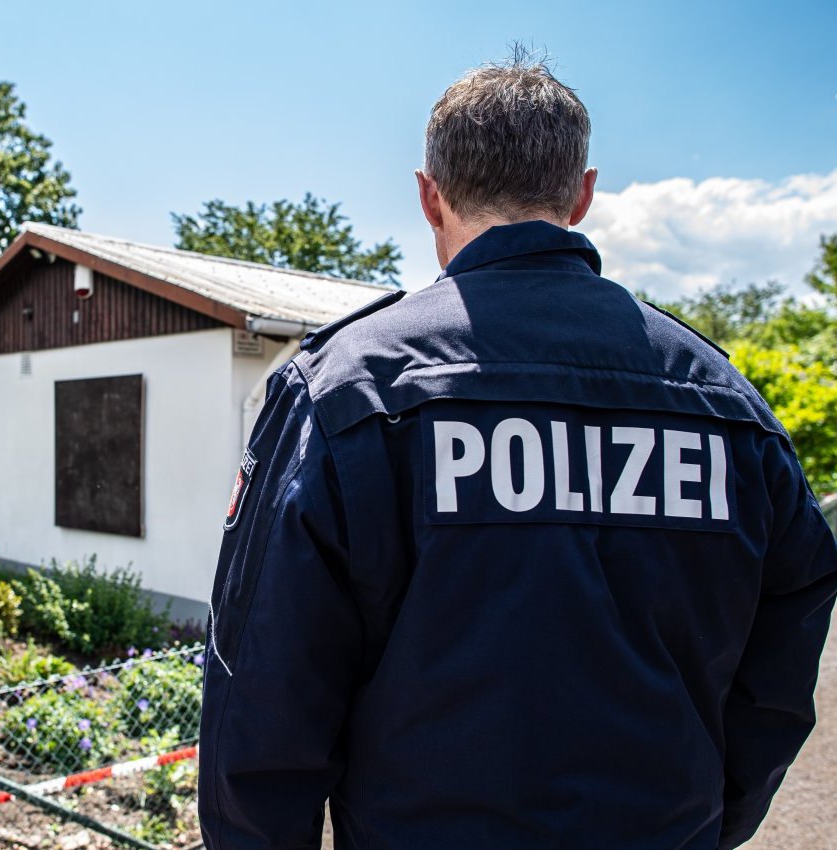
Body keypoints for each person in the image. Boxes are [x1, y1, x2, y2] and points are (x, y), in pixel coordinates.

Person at [198, 51, 837, 850]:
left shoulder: (345, 392)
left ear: (430, 198)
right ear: (582, 194)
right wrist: (714, 815)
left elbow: (262, 683)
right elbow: (787, 643)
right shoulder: (725, 403)